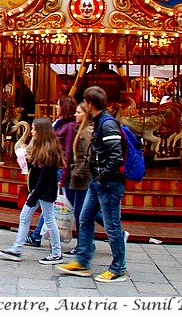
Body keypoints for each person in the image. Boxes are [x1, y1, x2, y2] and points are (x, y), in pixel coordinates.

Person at [58, 86, 128, 283]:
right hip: (97, 182)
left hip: (108, 183)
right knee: (84, 217)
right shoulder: (99, 123)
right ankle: (82, 261)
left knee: (112, 226)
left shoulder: (107, 125)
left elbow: (115, 156)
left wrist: (101, 176)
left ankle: (118, 268)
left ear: (90, 104)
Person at [0, 117, 64, 265]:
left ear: (41, 131)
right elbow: (35, 170)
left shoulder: (49, 152)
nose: (32, 132)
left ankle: (56, 252)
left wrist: (34, 195)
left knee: (49, 219)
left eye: (34, 129)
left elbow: (44, 178)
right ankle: (17, 249)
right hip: (39, 191)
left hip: (43, 192)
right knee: (25, 216)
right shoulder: (40, 148)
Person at [25, 95, 77, 247]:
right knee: (52, 205)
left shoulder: (68, 126)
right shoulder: (60, 123)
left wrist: (64, 174)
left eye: (58, 104)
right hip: (57, 167)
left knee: (58, 205)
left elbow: (66, 152)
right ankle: (37, 236)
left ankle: (39, 238)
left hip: (60, 169)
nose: (56, 106)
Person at [64, 101, 95, 256]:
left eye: (79, 112)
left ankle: (84, 245)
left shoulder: (85, 133)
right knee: (82, 211)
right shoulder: (80, 130)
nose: (75, 115)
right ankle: (86, 243)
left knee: (81, 212)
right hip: (78, 174)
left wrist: (77, 172)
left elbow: (87, 157)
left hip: (82, 176)